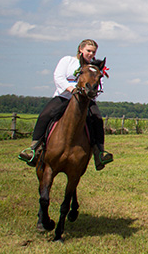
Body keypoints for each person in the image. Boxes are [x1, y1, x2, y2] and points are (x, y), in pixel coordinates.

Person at [18, 39, 113, 171]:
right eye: (88, 51)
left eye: (93, 52)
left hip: (85, 100)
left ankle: (99, 153)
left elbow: (97, 83)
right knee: (45, 114)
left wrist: (90, 94)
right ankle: (33, 149)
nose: (91, 54)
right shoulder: (67, 61)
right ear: (81, 49)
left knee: (97, 119)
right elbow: (58, 77)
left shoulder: (93, 67)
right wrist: (71, 89)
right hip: (65, 96)